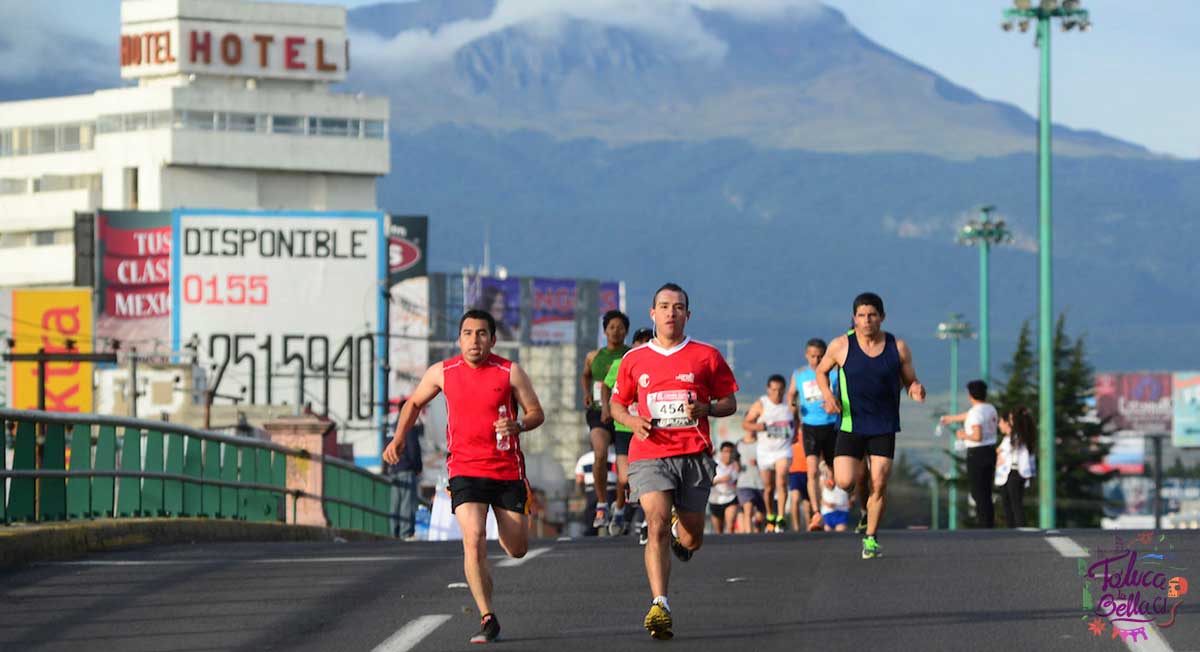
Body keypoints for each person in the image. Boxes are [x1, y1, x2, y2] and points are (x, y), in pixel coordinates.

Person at [383, 309, 545, 644]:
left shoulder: (509, 371)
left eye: (482, 333)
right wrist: (398, 439)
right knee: (472, 539)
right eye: (468, 333)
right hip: (464, 470)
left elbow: (536, 413)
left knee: (517, 549)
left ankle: (505, 530)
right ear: (459, 339)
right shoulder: (443, 372)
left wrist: (519, 425)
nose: (475, 339)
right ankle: (488, 617)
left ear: (493, 339)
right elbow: (412, 404)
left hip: (505, 470)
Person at [611, 282, 738, 640]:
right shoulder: (634, 359)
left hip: (693, 455)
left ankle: (685, 536)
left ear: (687, 314)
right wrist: (632, 420)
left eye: (678, 307)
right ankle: (660, 603)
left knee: (693, 537)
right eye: (664, 306)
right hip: (650, 454)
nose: (671, 312)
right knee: (655, 524)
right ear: (652, 314)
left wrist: (707, 408)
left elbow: (729, 402)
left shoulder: (707, 355)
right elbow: (617, 404)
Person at [815, 292, 925, 560]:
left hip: (883, 425)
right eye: (862, 316)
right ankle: (864, 511)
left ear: (882, 317)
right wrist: (828, 397)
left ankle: (871, 538)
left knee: (879, 481)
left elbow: (910, 380)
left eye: (872, 315)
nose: (867, 321)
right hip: (851, 424)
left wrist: (915, 390)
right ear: (854, 319)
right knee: (846, 481)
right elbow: (821, 371)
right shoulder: (841, 346)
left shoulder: (897, 347)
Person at [603, 326, 655, 539]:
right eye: (639, 341)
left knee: (648, 479)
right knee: (624, 478)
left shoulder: (657, 364)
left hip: (647, 428)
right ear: (633, 344)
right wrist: (607, 407)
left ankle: (646, 521)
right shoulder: (622, 362)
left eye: (647, 341)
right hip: (624, 427)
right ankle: (620, 510)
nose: (643, 345)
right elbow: (607, 385)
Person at [581, 310, 630, 530]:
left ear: (626, 331)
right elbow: (586, 374)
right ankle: (602, 503)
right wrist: (587, 393)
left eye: (620, 328)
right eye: (612, 327)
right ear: (605, 331)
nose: (616, 332)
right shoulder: (594, 356)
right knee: (599, 453)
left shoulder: (631, 356)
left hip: (624, 414)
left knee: (624, 472)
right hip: (598, 412)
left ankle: (619, 509)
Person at [788, 338, 843, 531]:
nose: (816, 360)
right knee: (811, 472)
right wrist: (793, 409)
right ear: (806, 355)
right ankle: (816, 513)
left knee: (836, 474)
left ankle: (828, 472)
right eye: (813, 356)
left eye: (820, 356)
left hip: (832, 426)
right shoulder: (800, 374)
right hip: (810, 426)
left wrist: (836, 403)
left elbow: (845, 397)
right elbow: (791, 395)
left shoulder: (835, 373)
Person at [940, 380, 999, 528]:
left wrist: (963, 435)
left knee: (978, 491)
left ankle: (984, 523)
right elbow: (970, 415)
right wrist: (951, 418)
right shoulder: (990, 408)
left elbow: (977, 436)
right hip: (991, 450)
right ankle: (989, 522)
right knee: (986, 489)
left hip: (977, 453)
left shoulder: (975, 413)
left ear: (970, 395)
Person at [742, 374, 794, 532]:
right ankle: (770, 515)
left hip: (783, 450)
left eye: (780, 390)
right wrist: (759, 427)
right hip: (765, 451)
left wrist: (796, 431)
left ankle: (781, 517)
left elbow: (797, 420)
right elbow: (746, 423)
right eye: (773, 390)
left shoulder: (789, 404)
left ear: (784, 390)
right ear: (768, 389)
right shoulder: (761, 404)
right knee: (769, 488)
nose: (777, 394)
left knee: (781, 481)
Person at [995, 406, 1037, 528]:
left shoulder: (1019, 436)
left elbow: (1003, 450)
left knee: (1015, 503)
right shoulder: (1012, 438)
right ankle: (1013, 527)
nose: (1010, 421)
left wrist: (999, 452)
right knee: (1008, 502)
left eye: (1011, 419)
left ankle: (1019, 528)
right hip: (1010, 473)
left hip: (1015, 472)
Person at [385, 415, 423, 539]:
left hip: (394, 469)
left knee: (395, 504)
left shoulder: (391, 428)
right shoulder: (408, 427)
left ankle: (394, 532)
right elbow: (413, 449)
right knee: (407, 503)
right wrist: (417, 467)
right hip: (407, 469)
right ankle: (405, 533)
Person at [574, 448, 617, 535]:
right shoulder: (613, 457)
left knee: (591, 513)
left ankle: (591, 532)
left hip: (591, 490)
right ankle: (612, 529)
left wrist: (582, 492)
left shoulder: (583, 459)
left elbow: (579, 479)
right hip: (610, 489)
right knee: (611, 511)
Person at [736, 429, 767, 533]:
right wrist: (737, 466)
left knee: (761, 514)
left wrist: (759, 462)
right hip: (744, 483)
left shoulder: (762, 443)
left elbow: (768, 459)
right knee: (748, 510)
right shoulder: (739, 444)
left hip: (761, 483)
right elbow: (733, 460)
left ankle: (758, 528)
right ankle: (749, 535)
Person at [708, 441, 740, 533]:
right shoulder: (714, 465)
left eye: (731, 452)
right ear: (721, 452)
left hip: (731, 498)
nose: (728, 454)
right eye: (726, 451)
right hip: (715, 500)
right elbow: (707, 482)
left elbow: (740, 480)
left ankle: (732, 546)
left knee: (730, 526)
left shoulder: (736, 465)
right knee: (719, 531)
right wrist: (720, 480)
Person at [786, 435, 810, 532]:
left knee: (807, 504)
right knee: (795, 499)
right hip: (794, 471)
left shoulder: (808, 432)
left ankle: (810, 527)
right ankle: (796, 527)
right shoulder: (792, 433)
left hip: (807, 471)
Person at [819, 462, 852, 532]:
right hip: (827, 512)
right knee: (828, 537)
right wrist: (827, 504)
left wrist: (851, 500)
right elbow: (820, 496)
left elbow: (852, 491)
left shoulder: (845, 476)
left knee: (840, 536)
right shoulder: (822, 479)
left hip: (842, 511)